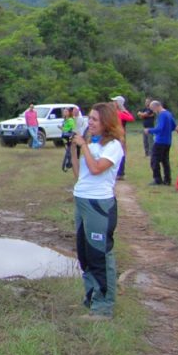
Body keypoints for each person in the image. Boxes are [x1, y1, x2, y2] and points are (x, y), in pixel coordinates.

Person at [70, 102, 124, 320]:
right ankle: (91, 297)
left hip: (99, 204)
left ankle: (103, 307)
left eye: (94, 119)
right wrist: (73, 149)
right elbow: (79, 174)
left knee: (99, 254)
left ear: (106, 122)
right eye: (89, 118)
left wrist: (83, 146)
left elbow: (96, 169)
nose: (90, 123)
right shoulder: (91, 145)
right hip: (82, 199)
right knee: (84, 254)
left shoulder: (113, 146)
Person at [147, 100, 176, 186]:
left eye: (153, 109)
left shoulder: (162, 115)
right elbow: (174, 126)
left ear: (156, 107)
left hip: (160, 141)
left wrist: (149, 130)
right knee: (165, 161)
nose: (153, 112)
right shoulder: (169, 114)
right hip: (168, 141)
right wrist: (167, 131)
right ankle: (167, 180)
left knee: (154, 160)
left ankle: (157, 179)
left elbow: (159, 128)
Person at [111, 96, 134, 180]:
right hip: (118, 133)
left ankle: (119, 172)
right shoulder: (119, 112)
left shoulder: (118, 113)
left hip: (118, 134)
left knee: (119, 152)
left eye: (114, 102)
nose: (113, 103)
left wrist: (124, 110)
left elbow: (131, 118)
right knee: (120, 152)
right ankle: (119, 172)